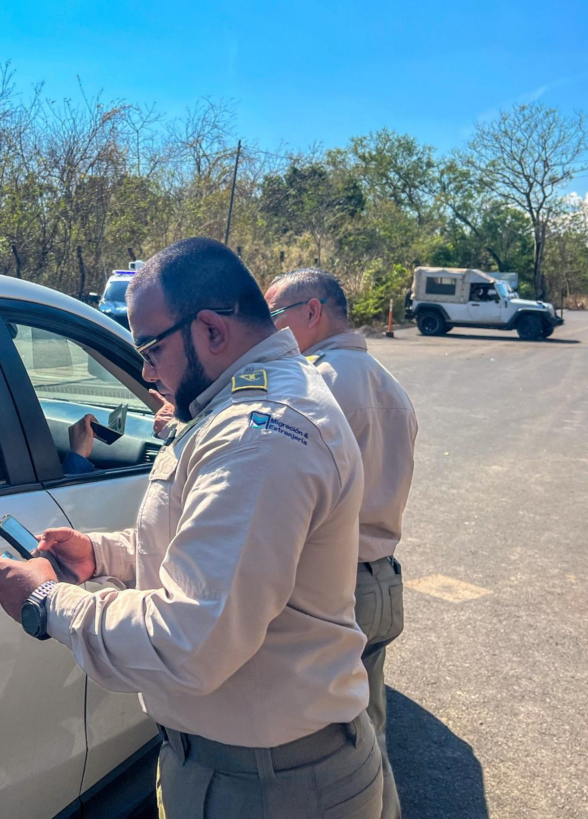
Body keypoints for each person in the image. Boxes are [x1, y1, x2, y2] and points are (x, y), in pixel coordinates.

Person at [0, 237, 381, 818]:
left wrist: (46, 602)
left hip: (269, 788)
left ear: (212, 330)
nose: (146, 370)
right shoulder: (239, 408)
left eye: (151, 348)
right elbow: (202, 545)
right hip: (245, 768)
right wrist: (102, 554)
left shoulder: (258, 435)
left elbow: (189, 642)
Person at [264, 267, 418, 819]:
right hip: (382, 581)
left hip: (337, 587)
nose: (268, 328)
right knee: (367, 729)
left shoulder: (314, 384)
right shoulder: (387, 383)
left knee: (325, 752)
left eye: (274, 315)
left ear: (312, 311)